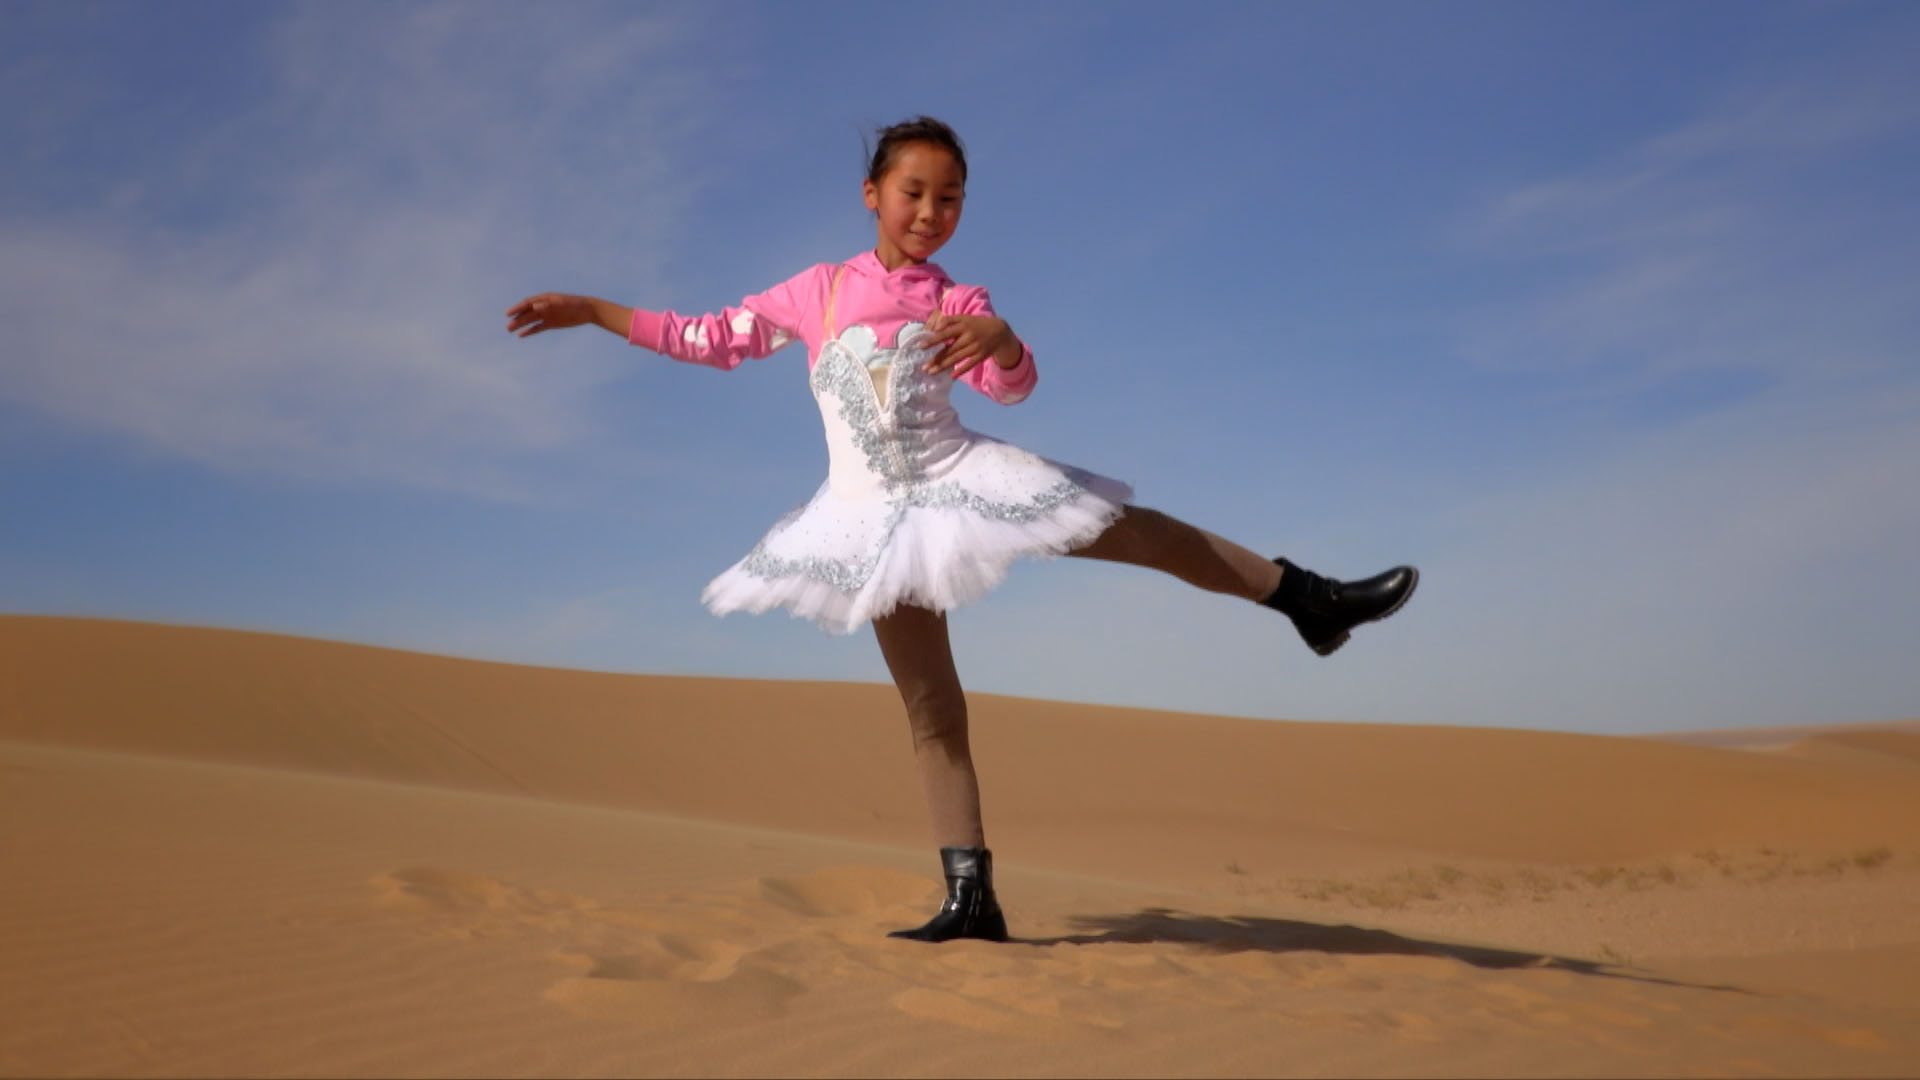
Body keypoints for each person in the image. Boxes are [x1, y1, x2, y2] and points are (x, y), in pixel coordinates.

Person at [505, 116, 1416, 944]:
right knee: (931, 707)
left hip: (959, 478)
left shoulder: (962, 299)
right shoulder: (815, 292)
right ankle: (970, 896)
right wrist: (594, 312)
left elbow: (1011, 388)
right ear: (872, 193)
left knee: (1138, 532)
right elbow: (707, 338)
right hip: (867, 518)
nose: (931, 213)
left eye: (950, 199)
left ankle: (1308, 597)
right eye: (914, 193)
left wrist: (1006, 341)